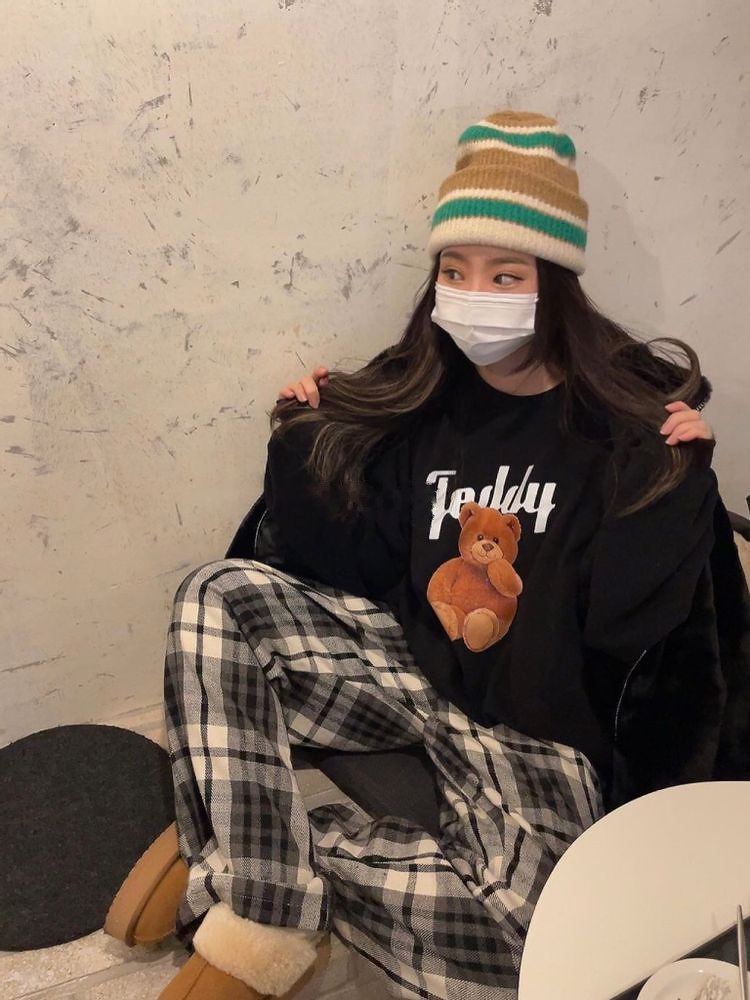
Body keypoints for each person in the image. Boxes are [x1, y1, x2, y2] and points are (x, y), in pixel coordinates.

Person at [105, 111, 749, 1000]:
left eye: (505, 274)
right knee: (218, 596)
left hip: (537, 747)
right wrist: (305, 439)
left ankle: (254, 849)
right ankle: (264, 902)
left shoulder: (621, 435)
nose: (474, 292)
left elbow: (629, 629)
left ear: (553, 284)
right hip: (408, 678)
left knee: (543, 962)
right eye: (455, 270)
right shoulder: (423, 395)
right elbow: (354, 567)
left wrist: (675, 492)